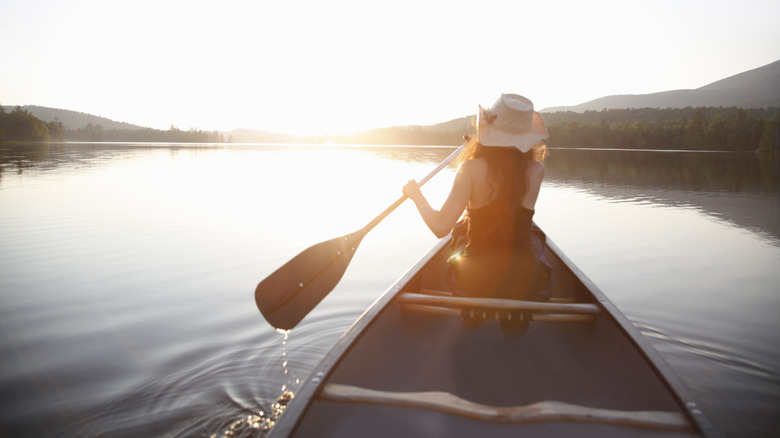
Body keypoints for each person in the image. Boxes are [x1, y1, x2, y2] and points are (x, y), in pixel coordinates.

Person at [403, 94, 552, 317]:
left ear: (488, 130)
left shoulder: (470, 168)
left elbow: (440, 228)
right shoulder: (536, 170)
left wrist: (416, 195)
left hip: (475, 280)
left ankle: (475, 310)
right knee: (533, 232)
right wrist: (486, 139)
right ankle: (515, 312)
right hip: (524, 282)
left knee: (461, 228)